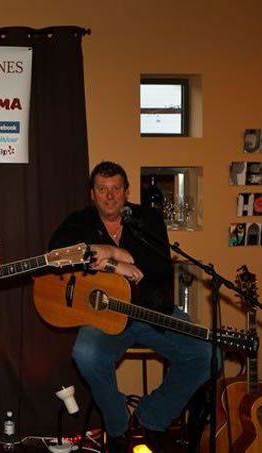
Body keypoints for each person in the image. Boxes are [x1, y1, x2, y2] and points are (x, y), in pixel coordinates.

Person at [49, 161, 213, 452]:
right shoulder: (80, 221)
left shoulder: (148, 219)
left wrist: (114, 255)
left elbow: (160, 267)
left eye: (116, 189)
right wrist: (114, 261)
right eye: (102, 189)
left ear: (127, 191)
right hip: (105, 315)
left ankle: (151, 418)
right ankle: (119, 426)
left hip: (152, 312)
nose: (109, 196)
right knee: (85, 354)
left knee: (207, 354)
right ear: (92, 194)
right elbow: (57, 253)